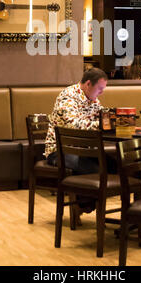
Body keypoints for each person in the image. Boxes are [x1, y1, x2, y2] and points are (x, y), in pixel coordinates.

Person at [44, 67, 108, 215]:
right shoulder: (68, 97)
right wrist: (103, 125)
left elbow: (103, 117)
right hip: (59, 151)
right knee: (97, 171)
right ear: (87, 84)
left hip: (82, 149)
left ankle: (84, 204)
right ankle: (83, 205)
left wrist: (113, 120)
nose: (102, 92)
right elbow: (73, 125)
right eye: (100, 88)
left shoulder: (92, 99)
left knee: (114, 165)